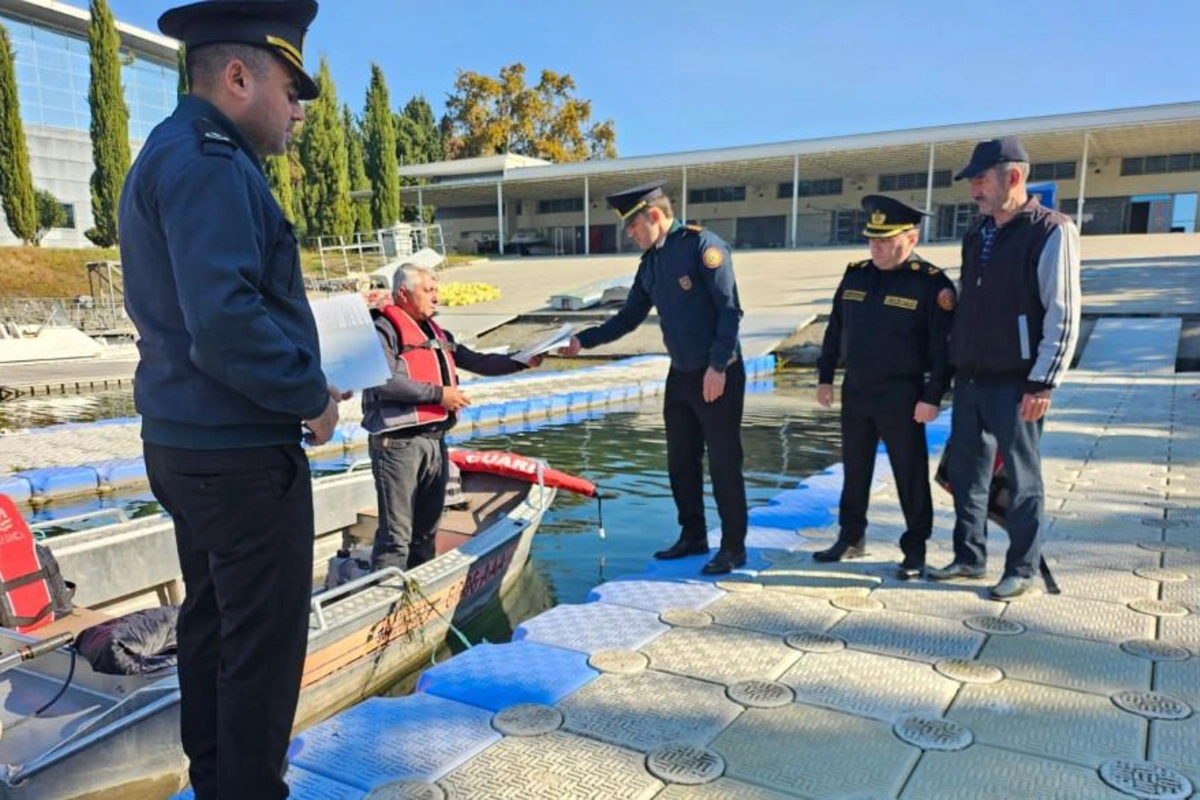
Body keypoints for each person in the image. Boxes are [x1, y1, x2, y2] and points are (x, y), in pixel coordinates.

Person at [118, 2, 341, 797]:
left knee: (214, 629)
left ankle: (217, 783)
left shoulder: (172, 150)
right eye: (290, 87)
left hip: (190, 443)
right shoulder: (211, 161)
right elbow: (224, 320)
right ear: (239, 76)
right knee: (261, 650)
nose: (300, 109)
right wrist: (309, 393)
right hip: (239, 453)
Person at [559, 181, 747, 575]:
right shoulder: (651, 264)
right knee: (681, 459)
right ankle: (693, 534)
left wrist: (718, 366)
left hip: (718, 372)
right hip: (680, 373)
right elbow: (627, 319)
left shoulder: (702, 247)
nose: (629, 234)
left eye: (632, 226)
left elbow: (730, 311)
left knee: (725, 461)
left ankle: (733, 547)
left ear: (655, 216)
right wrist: (582, 341)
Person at [926, 137, 1082, 600]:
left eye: (980, 180)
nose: (974, 191)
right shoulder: (977, 232)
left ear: (1013, 176)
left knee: (1021, 478)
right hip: (972, 376)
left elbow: (1063, 311)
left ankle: (1022, 567)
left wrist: (1042, 380)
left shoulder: (1050, 230)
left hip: (1018, 382)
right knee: (967, 475)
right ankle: (969, 557)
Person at [814, 195, 956, 580]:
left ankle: (914, 550)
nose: (875, 247)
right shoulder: (856, 274)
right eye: (871, 240)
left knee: (908, 473)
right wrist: (825, 376)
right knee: (854, 468)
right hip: (857, 389)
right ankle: (850, 536)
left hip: (902, 394)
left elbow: (944, 351)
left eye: (884, 240)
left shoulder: (932, 285)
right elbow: (835, 329)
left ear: (910, 239)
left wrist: (932, 397)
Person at [362, 265, 538, 571]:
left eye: (437, 290)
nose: (436, 298)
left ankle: (417, 590)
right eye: (428, 291)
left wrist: (522, 360)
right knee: (396, 536)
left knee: (427, 531)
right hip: (398, 446)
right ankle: (385, 597)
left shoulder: (437, 334)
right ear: (403, 293)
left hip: (434, 443)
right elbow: (382, 380)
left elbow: (478, 360)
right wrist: (439, 395)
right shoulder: (383, 330)